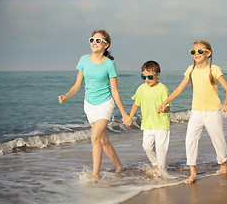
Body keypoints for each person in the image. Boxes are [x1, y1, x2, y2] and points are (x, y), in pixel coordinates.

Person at [157, 40, 227, 184]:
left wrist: (226, 103)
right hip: (196, 112)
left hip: (213, 112)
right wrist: (164, 103)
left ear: (208, 53)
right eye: (193, 51)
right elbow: (179, 89)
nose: (196, 54)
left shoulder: (214, 69)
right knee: (190, 140)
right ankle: (192, 173)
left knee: (218, 140)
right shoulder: (190, 70)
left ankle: (223, 163)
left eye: (200, 51)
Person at [58, 29, 131, 178]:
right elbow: (77, 84)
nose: (94, 43)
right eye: (92, 40)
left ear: (106, 45)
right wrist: (66, 96)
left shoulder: (109, 64)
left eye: (98, 40)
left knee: (94, 138)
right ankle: (119, 166)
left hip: (105, 104)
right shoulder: (84, 60)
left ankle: (95, 175)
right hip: (89, 105)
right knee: (103, 141)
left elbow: (115, 91)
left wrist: (124, 114)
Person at [124, 61, 171, 176]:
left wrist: (163, 109)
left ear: (157, 75)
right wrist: (130, 117)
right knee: (146, 146)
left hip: (161, 124)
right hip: (147, 124)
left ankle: (162, 171)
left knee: (161, 148)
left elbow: (168, 108)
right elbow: (136, 104)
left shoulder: (163, 89)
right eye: (143, 77)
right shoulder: (141, 88)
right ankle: (155, 164)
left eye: (150, 77)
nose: (147, 79)